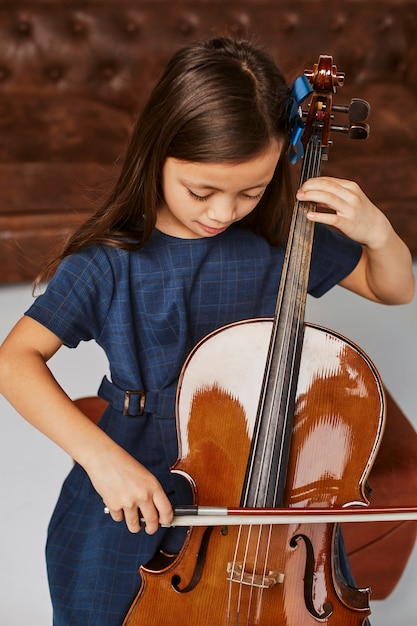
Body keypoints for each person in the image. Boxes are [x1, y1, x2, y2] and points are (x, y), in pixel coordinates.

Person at [0, 36, 414, 625]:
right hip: (137, 459)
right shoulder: (109, 262)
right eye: (202, 191)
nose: (224, 213)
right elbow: (14, 361)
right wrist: (101, 460)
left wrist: (378, 232)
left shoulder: (277, 243)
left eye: (252, 190)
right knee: (98, 600)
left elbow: (394, 287)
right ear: (158, 153)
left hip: (261, 470)